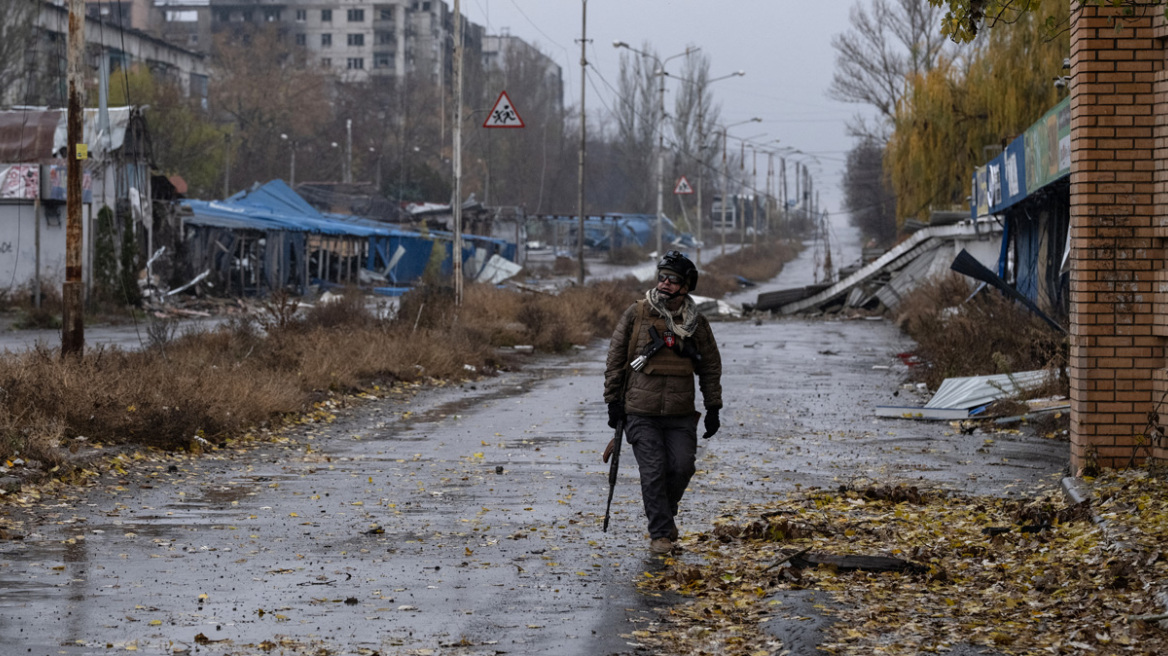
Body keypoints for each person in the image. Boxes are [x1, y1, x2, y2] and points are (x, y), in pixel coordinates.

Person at [603, 250, 722, 554]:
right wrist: (613, 403)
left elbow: (709, 364)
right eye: (662, 277)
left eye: (673, 279)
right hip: (640, 412)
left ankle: (665, 514)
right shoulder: (638, 314)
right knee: (653, 471)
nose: (665, 284)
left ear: (686, 286)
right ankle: (660, 534)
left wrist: (713, 407)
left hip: (680, 414)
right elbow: (616, 359)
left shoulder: (696, 323)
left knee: (682, 467)